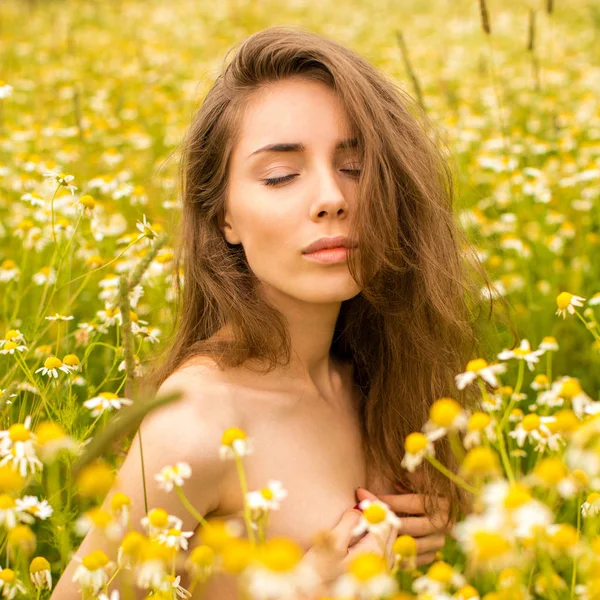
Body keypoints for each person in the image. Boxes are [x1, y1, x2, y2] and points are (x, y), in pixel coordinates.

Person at [52, 24, 512, 599]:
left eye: (355, 166)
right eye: (280, 175)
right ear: (223, 218)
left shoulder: (379, 383)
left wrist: (420, 535)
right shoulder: (195, 429)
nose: (332, 198)